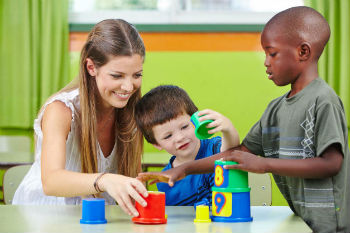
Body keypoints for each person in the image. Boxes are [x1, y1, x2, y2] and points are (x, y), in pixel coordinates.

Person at [137, 6, 350, 233]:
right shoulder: (275, 110)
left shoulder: (324, 101)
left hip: (332, 223)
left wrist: (265, 164)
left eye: (272, 53)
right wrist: (185, 169)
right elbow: (237, 154)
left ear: (303, 52)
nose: (266, 62)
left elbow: (331, 163)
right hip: (303, 220)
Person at [12, 19, 149, 217]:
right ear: (91, 67)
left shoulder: (131, 111)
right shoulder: (61, 110)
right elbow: (52, 182)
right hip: (44, 216)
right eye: (117, 76)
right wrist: (105, 180)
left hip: (96, 218)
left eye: (137, 75)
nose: (128, 87)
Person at [134, 85, 239, 206]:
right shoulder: (166, 180)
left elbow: (231, 153)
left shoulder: (215, 147)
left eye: (184, 127)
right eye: (168, 136)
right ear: (157, 144)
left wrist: (228, 129)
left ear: (196, 120)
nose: (180, 138)